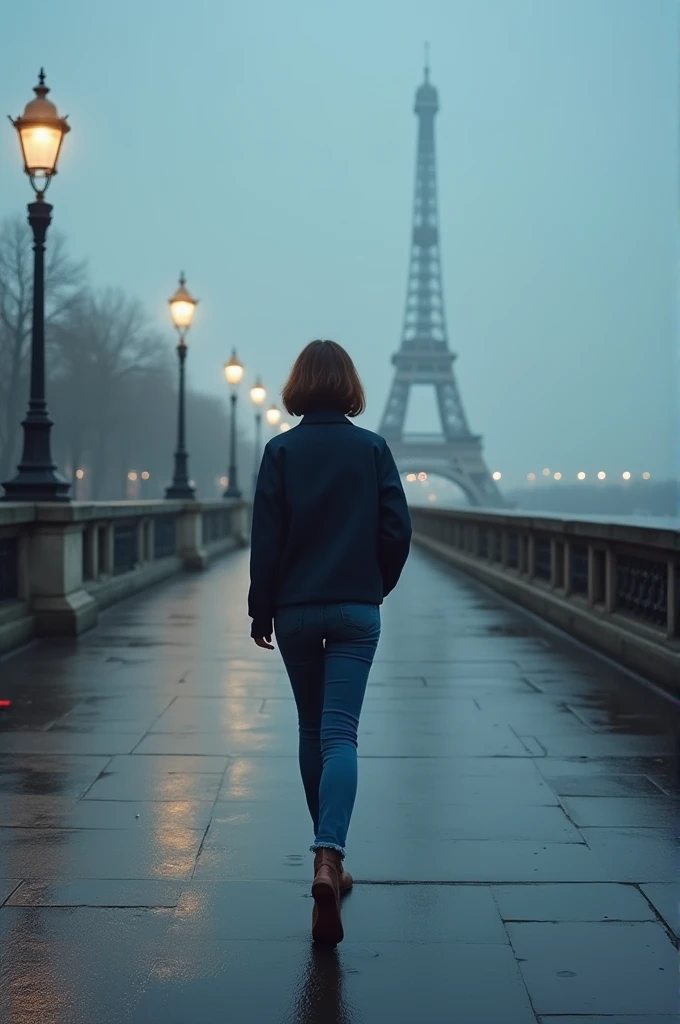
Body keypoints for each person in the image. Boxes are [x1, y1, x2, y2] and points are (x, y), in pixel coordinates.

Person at [248, 339, 412, 945]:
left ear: (297, 385)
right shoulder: (372, 449)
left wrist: (260, 607)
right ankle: (330, 856)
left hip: (293, 609)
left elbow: (266, 540)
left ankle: (326, 858)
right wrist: (374, 585)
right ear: (348, 385)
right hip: (354, 607)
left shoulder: (281, 450)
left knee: (312, 729)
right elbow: (398, 529)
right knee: (342, 732)